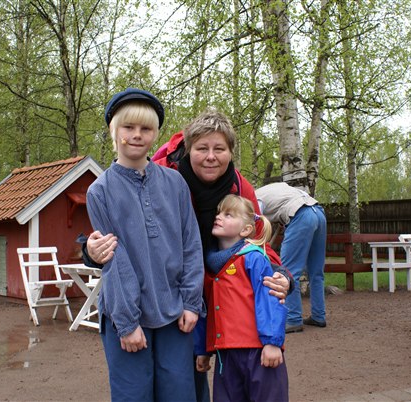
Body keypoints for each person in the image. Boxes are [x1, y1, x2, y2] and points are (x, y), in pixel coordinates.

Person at [86, 109, 292, 402]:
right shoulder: (160, 174)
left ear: (230, 153)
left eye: (219, 149)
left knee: (184, 385)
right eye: (202, 148)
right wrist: (90, 252)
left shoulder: (238, 188)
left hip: (201, 296)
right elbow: (107, 237)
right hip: (166, 292)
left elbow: (256, 240)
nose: (211, 157)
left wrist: (282, 275)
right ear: (187, 149)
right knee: (149, 384)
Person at [86, 88, 204, 401]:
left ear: (155, 134)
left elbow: (191, 244)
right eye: (129, 127)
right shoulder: (100, 191)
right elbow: (115, 259)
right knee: (133, 395)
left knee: (179, 394)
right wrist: (126, 323)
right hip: (128, 316)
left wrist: (191, 302)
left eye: (146, 128)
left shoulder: (174, 183)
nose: (137, 135)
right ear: (114, 131)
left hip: (175, 313)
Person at [196, 195, 288, 402]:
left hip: (258, 350)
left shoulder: (254, 258)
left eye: (228, 214)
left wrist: (272, 342)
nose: (219, 217)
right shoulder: (211, 266)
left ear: (246, 230)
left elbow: (270, 298)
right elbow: (205, 308)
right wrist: (203, 349)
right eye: (219, 212)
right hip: (225, 354)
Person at [256, 182, 327, 333]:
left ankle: (293, 319)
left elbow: (258, 225)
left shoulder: (254, 199)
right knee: (316, 272)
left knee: (288, 272)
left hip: (300, 215)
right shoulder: (276, 187)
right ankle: (319, 316)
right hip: (318, 212)